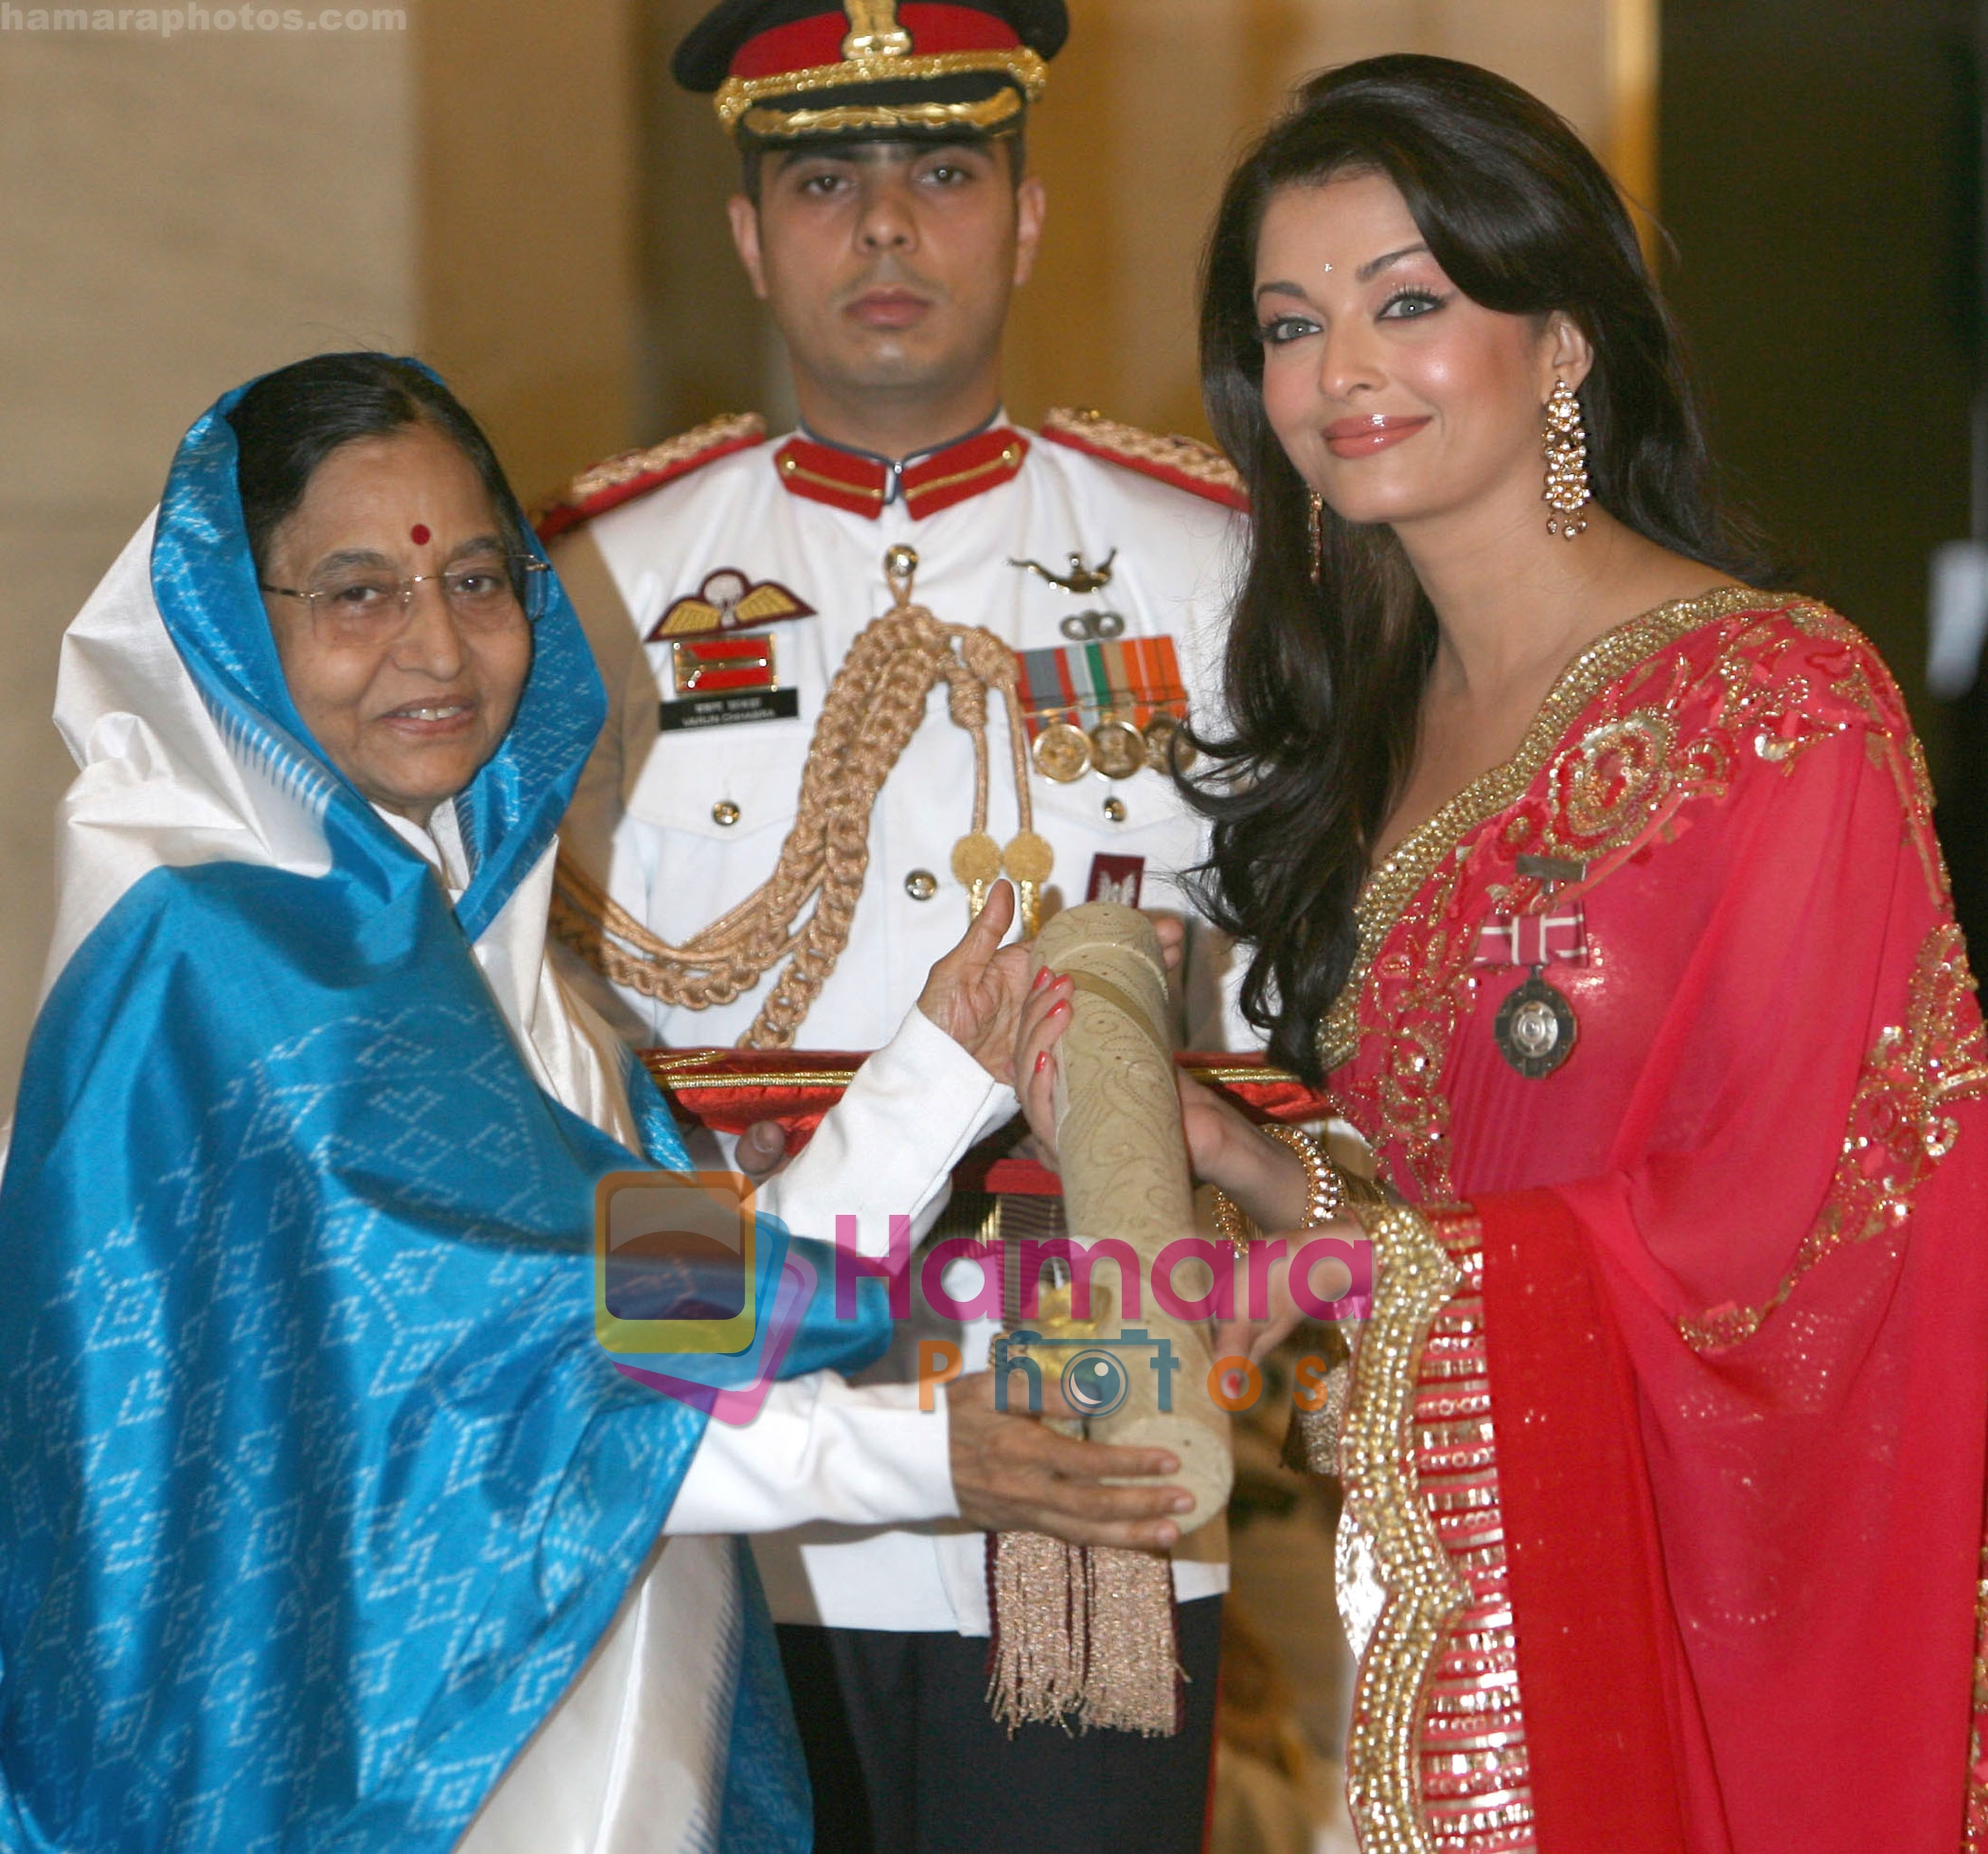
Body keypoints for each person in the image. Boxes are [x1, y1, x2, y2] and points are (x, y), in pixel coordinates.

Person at [0, 351, 1194, 1851]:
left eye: (480, 580)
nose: (436, 646)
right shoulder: (221, 970)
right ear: (233, 624)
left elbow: (665, 1307)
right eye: (357, 592)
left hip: (577, 1738)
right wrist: (923, 1454)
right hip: (359, 1779)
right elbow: (488, 1419)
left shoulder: (461, 941)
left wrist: (946, 1062)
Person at [1016, 53, 1988, 1854]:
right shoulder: (1369, 731)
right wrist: (1254, 1162)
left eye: (1410, 304)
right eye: (1292, 326)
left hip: (1695, 1595)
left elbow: (1805, 1225)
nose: (1343, 374)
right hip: (1438, 1565)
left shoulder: (1772, 702)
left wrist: (1398, 1276)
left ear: (1565, 343)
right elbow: (1435, 1180)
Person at [540, 2, 1251, 1846]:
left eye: (941, 172)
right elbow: (564, 1052)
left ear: (1020, 216)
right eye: (823, 178)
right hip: (735, 1393)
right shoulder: (599, 577)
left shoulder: (1205, 559)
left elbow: (1280, 988)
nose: (882, 230)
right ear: (748, 236)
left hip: (1080, 1380)